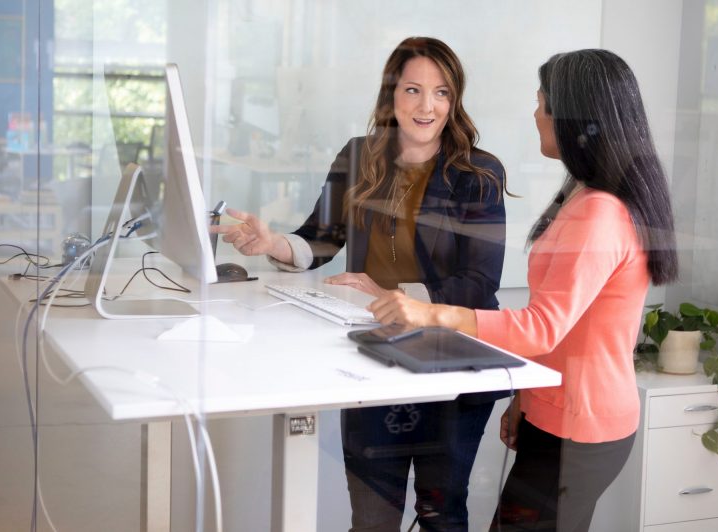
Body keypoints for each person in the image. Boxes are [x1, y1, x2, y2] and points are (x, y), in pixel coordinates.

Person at [365, 49, 680, 532]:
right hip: (557, 413)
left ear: (576, 118)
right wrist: (525, 400)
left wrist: (429, 313)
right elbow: (567, 324)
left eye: (542, 104)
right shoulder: (584, 191)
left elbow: (540, 327)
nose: (535, 115)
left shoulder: (599, 211)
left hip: (579, 426)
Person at [213, 37, 512, 531]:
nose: (427, 106)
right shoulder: (359, 156)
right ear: (391, 95)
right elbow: (319, 241)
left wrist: (394, 295)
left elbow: (479, 282)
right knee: (373, 518)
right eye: (413, 90)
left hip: (452, 358)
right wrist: (271, 243)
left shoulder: (477, 173)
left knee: (442, 513)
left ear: (455, 99)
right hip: (375, 355)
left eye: (441, 93)